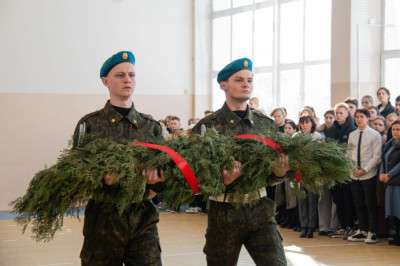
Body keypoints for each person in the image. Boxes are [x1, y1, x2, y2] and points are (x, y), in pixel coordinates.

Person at [192, 58, 289, 266]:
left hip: (260, 210)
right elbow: (196, 176)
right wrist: (221, 181)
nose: (247, 84)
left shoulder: (266, 125)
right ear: (223, 85)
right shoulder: (207, 127)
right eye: (239, 80)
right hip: (223, 214)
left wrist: (279, 173)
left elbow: (271, 176)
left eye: (250, 80)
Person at [73, 51, 164, 265]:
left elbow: (167, 174)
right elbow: (75, 174)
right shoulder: (89, 125)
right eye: (120, 75)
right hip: (103, 221)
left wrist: (157, 182)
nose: (127, 80)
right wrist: (102, 182)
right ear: (105, 81)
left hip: (143, 218)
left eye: (132, 75)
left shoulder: (151, 126)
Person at [347, 109, 381, 244]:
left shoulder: (374, 134)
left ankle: (373, 232)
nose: (359, 119)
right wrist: (352, 168)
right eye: (357, 117)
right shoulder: (352, 135)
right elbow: (348, 153)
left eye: (362, 117)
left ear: (368, 118)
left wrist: (365, 169)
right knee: (358, 203)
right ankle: (362, 230)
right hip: (354, 175)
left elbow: (377, 156)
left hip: (368, 175)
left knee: (370, 203)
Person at [325, 103, 357, 239]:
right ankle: (343, 226)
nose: (338, 115)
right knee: (337, 199)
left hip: (346, 170)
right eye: (336, 113)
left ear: (347, 114)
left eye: (341, 113)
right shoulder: (331, 130)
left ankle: (350, 226)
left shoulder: (352, 129)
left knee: (347, 199)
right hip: (334, 170)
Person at [293, 115, 321, 238]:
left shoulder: (317, 137)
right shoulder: (296, 136)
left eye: (307, 122)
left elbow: (319, 155)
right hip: (300, 172)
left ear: (312, 124)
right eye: (302, 123)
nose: (305, 125)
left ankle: (311, 227)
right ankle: (303, 226)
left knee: (312, 201)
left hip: (312, 173)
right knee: (302, 201)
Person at [379, 120, 400, 245]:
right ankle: (396, 234)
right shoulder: (389, 144)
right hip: (388, 181)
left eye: (398, 129)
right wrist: (381, 173)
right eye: (394, 129)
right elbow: (383, 160)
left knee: (399, 209)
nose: (395, 132)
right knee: (392, 210)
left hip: (397, 181)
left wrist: (389, 175)